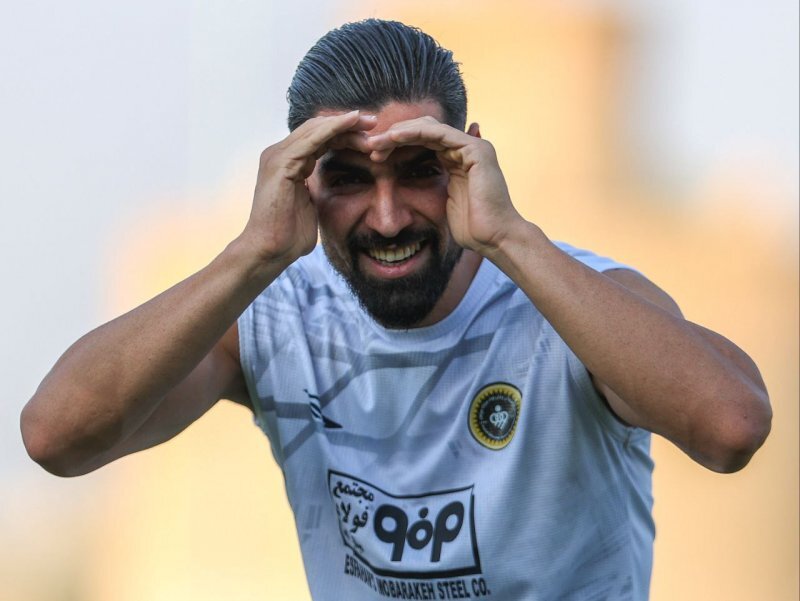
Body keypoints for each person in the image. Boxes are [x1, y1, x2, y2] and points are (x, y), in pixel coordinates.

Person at [21, 19, 771, 600]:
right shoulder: (277, 312)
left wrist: (509, 236)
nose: (386, 218)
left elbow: (732, 427)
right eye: (349, 177)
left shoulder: (576, 301)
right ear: (302, 181)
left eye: (418, 171)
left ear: (469, 161)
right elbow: (56, 437)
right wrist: (251, 252)